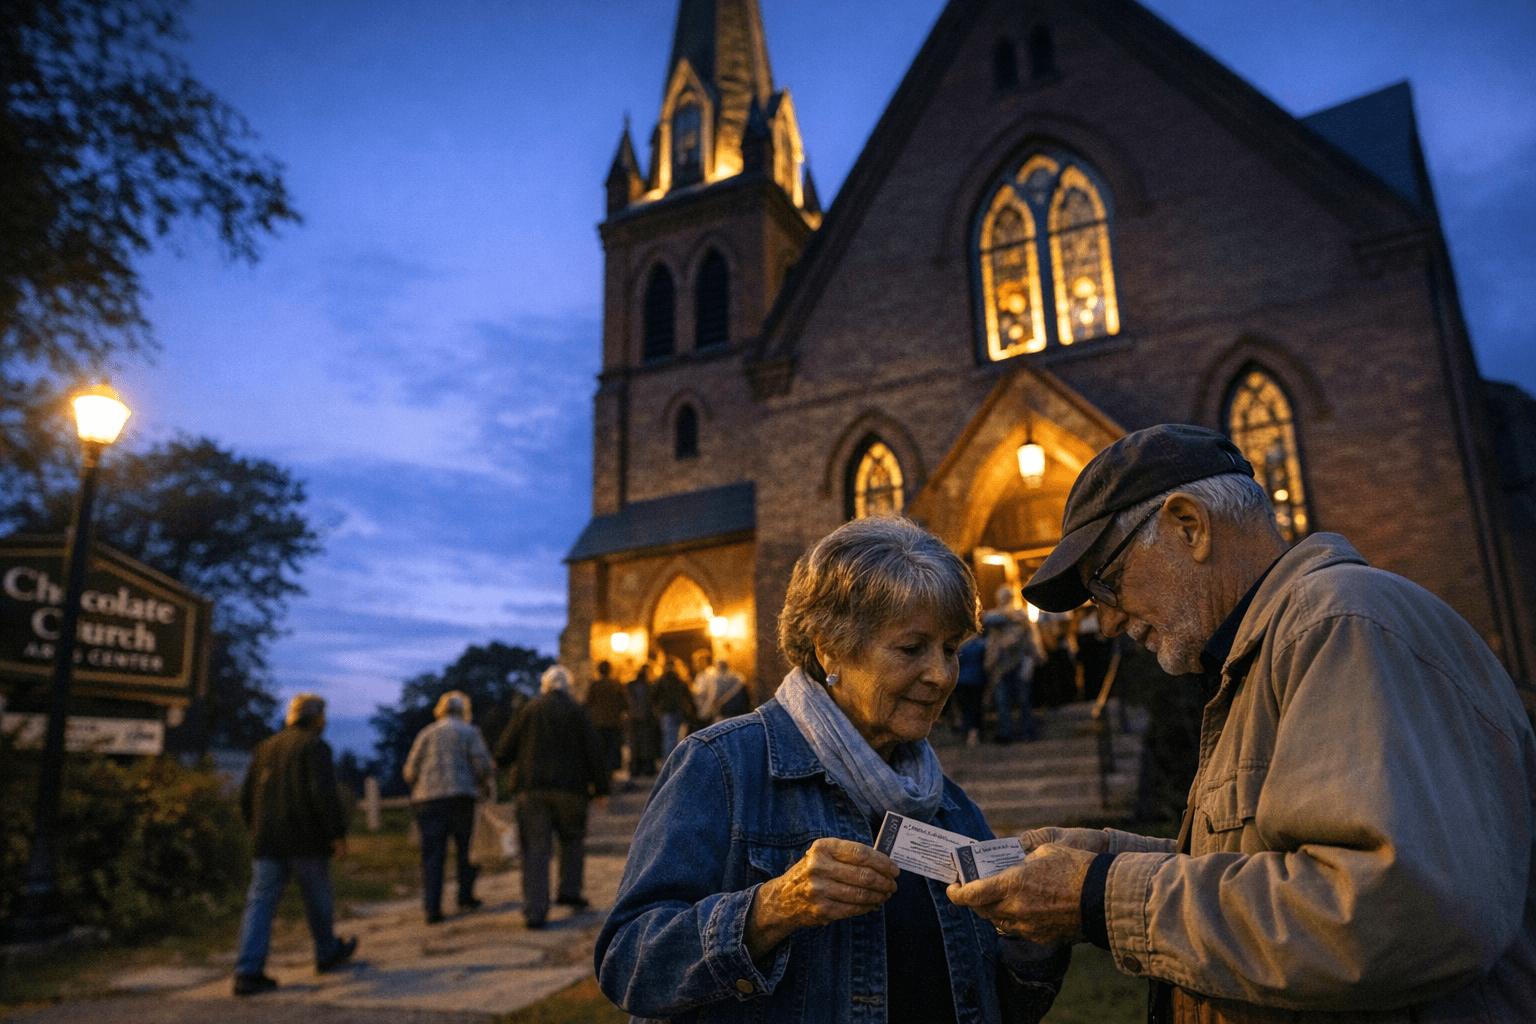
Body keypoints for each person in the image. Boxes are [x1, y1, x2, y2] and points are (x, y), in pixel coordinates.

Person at [947, 423, 1536, 1023]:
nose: (1109, 624)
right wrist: (1104, 854)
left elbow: (1388, 913)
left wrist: (1099, 895)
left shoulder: (1339, 625)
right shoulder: (1263, 654)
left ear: (1189, 527)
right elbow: (1273, 865)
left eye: (1107, 583)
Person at [596, 516, 1070, 1023]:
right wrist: (772, 908)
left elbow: (1000, 1004)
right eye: (912, 648)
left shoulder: (948, 806)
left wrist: (1033, 929)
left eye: (951, 649)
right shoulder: (723, 767)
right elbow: (629, 964)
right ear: (829, 648)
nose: (940, 675)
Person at [233, 694, 357, 996]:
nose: (325, 721)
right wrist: (337, 834)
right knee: (318, 898)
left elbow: (245, 797)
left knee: (260, 902)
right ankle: (326, 951)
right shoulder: (315, 746)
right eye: (323, 715)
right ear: (315, 717)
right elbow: (323, 794)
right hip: (306, 839)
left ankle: (248, 971)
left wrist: (256, 829)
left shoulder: (265, 748)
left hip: (268, 842)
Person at [496, 665, 610, 930]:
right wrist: (601, 789)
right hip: (571, 790)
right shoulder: (577, 710)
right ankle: (569, 892)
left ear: (544, 686)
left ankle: (536, 911)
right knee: (572, 841)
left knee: (536, 850)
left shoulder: (529, 710)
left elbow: (504, 750)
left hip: (532, 790)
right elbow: (593, 750)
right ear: (567, 686)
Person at [402, 690, 494, 924]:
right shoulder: (469, 732)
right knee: (466, 851)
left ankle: (432, 908)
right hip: (460, 797)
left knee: (433, 855)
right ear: (463, 711)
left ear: (440, 711)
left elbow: (410, 770)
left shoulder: (426, 733)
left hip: (428, 800)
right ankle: (465, 896)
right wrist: (481, 784)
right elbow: (482, 764)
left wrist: (420, 785)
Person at [983, 585, 1040, 743]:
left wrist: (1035, 655)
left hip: (1019, 661)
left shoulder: (1019, 615)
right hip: (1001, 665)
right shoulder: (994, 616)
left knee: (1023, 699)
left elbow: (1027, 637)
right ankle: (1006, 732)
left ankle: (1028, 730)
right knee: (1002, 700)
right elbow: (992, 640)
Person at [585, 659, 628, 775]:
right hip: (613, 723)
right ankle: (610, 775)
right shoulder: (616, 685)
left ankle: (603, 774)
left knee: (601, 751)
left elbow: (588, 702)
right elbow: (625, 703)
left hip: (598, 723)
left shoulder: (595, 685)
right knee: (612, 751)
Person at [652, 655, 695, 762]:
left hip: (667, 712)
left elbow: (654, 697)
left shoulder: (660, 680)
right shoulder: (680, 680)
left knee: (668, 738)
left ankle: (669, 762)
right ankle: (676, 761)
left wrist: (658, 708)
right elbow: (688, 697)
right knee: (678, 738)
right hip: (679, 712)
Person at [624, 663, 658, 777]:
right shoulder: (648, 686)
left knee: (635, 744)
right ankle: (647, 768)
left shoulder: (630, 686)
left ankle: (635, 768)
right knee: (646, 744)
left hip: (634, 718)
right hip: (645, 718)